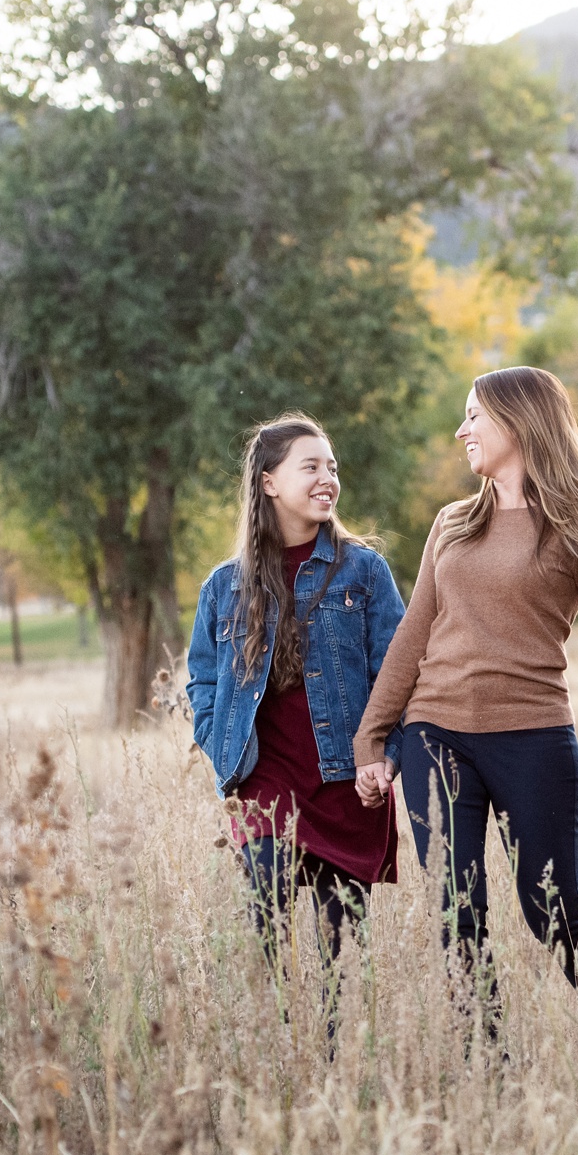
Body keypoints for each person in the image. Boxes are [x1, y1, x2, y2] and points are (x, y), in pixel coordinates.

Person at [351, 366, 578, 1032]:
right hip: (435, 733)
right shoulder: (451, 523)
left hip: (533, 738)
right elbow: (412, 633)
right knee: (458, 907)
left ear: (518, 421)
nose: (462, 430)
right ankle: (488, 1064)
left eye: (473, 416)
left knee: (551, 909)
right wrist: (372, 741)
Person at [187, 416, 406, 994]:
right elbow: (203, 682)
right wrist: (220, 745)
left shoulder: (364, 570)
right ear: (268, 483)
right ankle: (284, 1038)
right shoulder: (223, 586)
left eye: (331, 467)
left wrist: (384, 755)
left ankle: (330, 1054)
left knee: (340, 951)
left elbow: (399, 672)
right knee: (267, 913)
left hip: (346, 783)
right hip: (266, 780)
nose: (326, 478)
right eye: (310, 466)